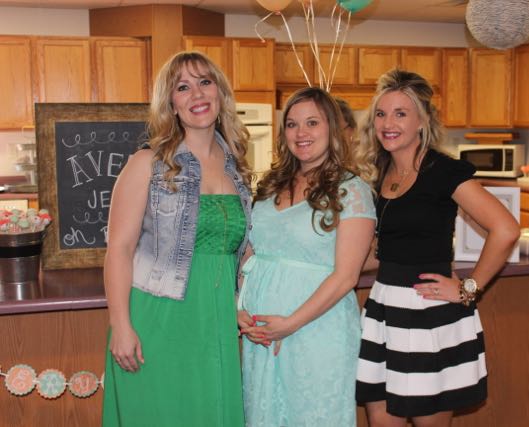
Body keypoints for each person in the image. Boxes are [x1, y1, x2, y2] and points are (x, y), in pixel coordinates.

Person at [355, 69, 520, 427]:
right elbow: (383, 251)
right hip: (385, 308)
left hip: (429, 314)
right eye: (381, 114)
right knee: (381, 420)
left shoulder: (443, 171)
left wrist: (468, 289)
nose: (388, 123)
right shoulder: (380, 174)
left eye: (401, 113)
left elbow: (505, 228)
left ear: (422, 121)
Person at [102, 51, 252, 426]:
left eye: (205, 82)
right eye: (182, 87)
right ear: (171, 103)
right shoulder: (147, 164)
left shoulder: (238, 168)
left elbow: (243, 251)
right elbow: (118, 249)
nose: (197, 94)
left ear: (219, 92)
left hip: (216, 318)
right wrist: (121, 326)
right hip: (159, 317)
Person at [237, 87, 376, 427]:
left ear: (331, 127)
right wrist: (238, 308)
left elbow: (346, 277)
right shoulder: (270, 186)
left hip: (316, 330)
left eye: (312, 122)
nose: (301, 133)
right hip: (261, 333)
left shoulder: (352, 190)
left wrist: (290, 324)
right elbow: (251, 252)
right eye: (292, 124)